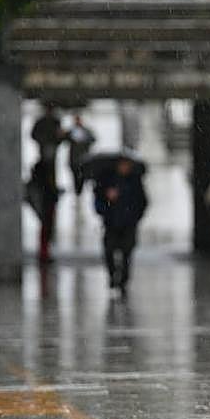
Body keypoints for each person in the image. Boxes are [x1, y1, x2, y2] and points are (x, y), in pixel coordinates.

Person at [92, 154, 148, 298]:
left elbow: (142, 202)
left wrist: (135, 216)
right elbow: (98, 201)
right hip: (111, 223)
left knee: (127, 252)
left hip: (129, 224)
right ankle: (112, 276)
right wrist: (107, 200)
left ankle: (123, 281)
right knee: (109, 250)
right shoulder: (106, 180)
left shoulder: (134, 181)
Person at [29, 103, 65, 262]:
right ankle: (44, 253)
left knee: (47, 226)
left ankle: (45, 252)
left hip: (47, 197)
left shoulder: (46, 168)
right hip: (46, 198)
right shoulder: (42, 168)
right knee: (46, 225)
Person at [66, 114, 96, 197]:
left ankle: (80, 192)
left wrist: (85, 142)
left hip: (83, 158)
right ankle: (77, 192)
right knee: (75, 175)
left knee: (82, 175)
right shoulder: (71, 131)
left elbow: (93, 139)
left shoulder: (86, 131)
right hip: (73, 158)